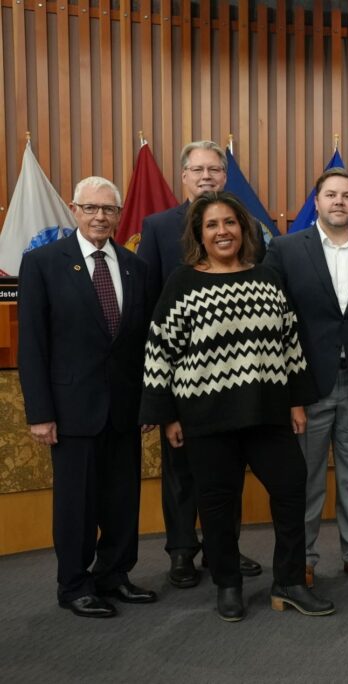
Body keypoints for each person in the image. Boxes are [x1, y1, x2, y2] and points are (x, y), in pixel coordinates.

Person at [139, 191, 333, 622]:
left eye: (229, 223)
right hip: (206, 420)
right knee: (217, 504)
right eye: (212, 225)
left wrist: (298, 403)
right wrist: (166, 414)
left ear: (243, 229)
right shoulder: (182, 282)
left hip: (268, 414)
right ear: (199, 234)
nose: (222, 231)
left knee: (290, 490)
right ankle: (228, 583)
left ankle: (289, 582)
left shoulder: (267, 278)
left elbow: (290, 344)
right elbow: (159, 351)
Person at [18, 177, 157, 618]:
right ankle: (74, 584)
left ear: (119, 215)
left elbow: (143, 343)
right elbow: (33, 346)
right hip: (70, 409)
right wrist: (40, 413)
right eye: (91, 208)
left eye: (109, 210)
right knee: (76, 505)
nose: (100, 217)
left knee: (121, 500)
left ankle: (114, 574)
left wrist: (150, 402)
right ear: (74, 211)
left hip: (124, 408)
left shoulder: (136, 266)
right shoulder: (42, 263)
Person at [264, 168, 348, 588]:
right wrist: (287, 388)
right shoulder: (286, 250)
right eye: (330, 195)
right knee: (303, 479)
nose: (338, 201)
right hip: (305, 386)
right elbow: (273, 321)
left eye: (347, 196)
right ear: (317, 201)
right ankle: (302, 558)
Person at [137, 140, 263, 587]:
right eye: (197, 169)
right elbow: (147, 304)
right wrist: (159, 389)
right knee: (181, 471)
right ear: (183, 176)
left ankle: (221, 549)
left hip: (236, 377)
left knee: (228, 469)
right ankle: (181, 551)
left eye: (215, 168)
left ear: (225, 177)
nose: (207, 175)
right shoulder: (155, 227)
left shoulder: (247, 226)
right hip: (181, 377)